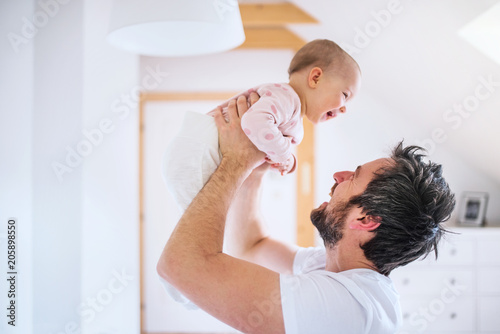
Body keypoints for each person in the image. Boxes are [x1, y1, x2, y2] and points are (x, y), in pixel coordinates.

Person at [156, 94, 456, 334]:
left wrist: (235, 161)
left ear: (366, 220)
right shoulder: (333, 272)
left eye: (354, 176)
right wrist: (255, 169)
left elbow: (179, 267)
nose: (339, 175)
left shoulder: (348, 308)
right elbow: (254, 245)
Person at [163, 39, 361, 212]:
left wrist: (288, 163)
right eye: (345, 95)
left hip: (199, 150)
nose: (344, 109)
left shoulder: (291, 113)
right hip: (199, 148)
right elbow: (254, 123)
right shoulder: (286, 97)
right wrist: (284, 155)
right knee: (203, 219)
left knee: (200, 216)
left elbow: (265, 148)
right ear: (315, 78)